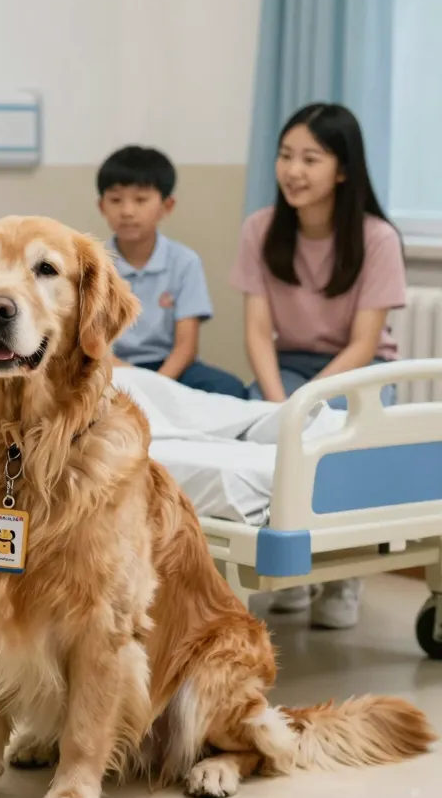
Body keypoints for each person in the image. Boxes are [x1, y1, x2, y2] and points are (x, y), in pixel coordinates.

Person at [231, 102, 406, 629]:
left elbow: (363, 343)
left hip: (359, 370)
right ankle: (291, 563)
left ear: (343, 169)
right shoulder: (260, 229)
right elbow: (259, 332)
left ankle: (341, 575)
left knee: (334, 433)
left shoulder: (378, 239)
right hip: (285, 366)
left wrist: (305, 403)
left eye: (311, 158)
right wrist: (277, 401)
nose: (293, 170)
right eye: (286, 156)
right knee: (261, 431)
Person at [98, 146, 245, 398]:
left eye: (141, 200)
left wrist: (156, 386)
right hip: (113, 365)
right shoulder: (95, 263)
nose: (127, 211)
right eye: (115, 200)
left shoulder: (185, 262)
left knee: (229, 388)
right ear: (101, 206)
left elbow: (186, 347)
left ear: (167, 206)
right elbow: (93, 343)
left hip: (170, 367)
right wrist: (129, 375)